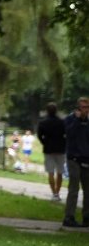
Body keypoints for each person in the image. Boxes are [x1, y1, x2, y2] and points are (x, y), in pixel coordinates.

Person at [62, 96, 89, 227]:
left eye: (88, 107)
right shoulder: (70, 119)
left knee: (87, 189)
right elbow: (68, 133)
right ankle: (69, 216)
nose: (86, 110)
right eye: (84, 107)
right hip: (73, 157)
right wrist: (78, 120)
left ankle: (86, 216)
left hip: (86, 158)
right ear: (78, 108)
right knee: (74, 188)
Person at [37, 102, 66, 201]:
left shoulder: (43, 122)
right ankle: (57, 192)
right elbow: (66, 134)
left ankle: (53, 193)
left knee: (50, 172)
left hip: (49, 149)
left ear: (47, 111)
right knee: (60, 172)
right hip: (60, 149)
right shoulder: (62, 122)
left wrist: (45, 143)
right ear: (56, 110)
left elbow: (40, 136)